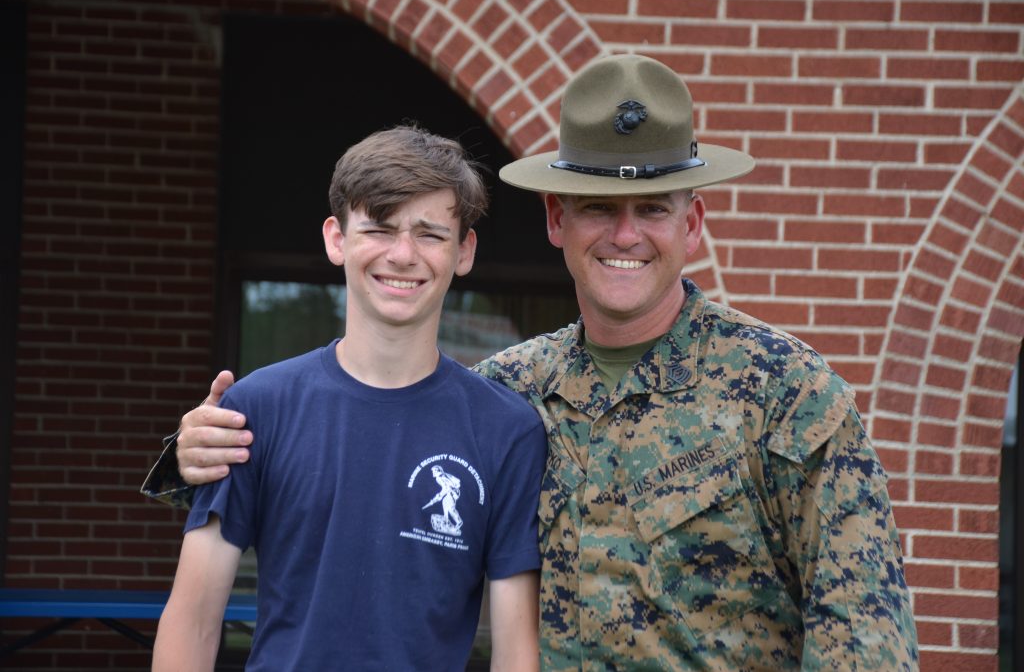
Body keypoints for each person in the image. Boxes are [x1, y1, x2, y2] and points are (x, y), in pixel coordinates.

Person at [144, 55, 918, 670]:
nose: (625, 235)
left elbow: (861, 628)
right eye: (596, 208)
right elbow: (371, 430)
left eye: (652, 208)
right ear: (556, 218)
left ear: (694, 223)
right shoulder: (511, 392)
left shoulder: (785, 392)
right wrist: (193, 451)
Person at [150, 125, 546, 671]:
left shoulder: (506, 430)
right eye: (380, 229)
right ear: (337, 239)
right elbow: (193, 620)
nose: (403, 255)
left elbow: (515, 650)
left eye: (430, 234)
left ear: (464, 251)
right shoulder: (257, 408)